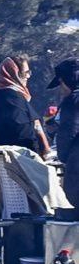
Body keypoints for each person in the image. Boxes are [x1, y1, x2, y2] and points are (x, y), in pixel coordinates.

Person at [0, 56, 50, 157]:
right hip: (22, 157)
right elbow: (35, 126)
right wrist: (45, 150)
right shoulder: (14, 96)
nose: (28, 76)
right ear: (14, 73)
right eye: (25, 72)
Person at [49, 58, 79, 205]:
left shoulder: (72, 101)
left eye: (61, 83)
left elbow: (68, 131)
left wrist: (63, 156)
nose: (60, 89)